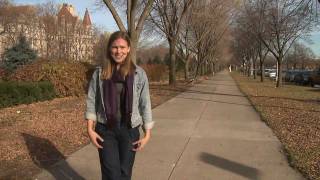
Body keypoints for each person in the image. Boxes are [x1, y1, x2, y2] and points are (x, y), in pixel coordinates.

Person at [85, 31, 154, 180]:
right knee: (112, 174)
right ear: (110, 48)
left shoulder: (139, 74)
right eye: (115, 47)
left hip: (129, 131)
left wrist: (147, 134)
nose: (119, 51)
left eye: (122, 47)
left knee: (124, 173)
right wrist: (90, 129)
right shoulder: (99, 73)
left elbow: (145, 103)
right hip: (106, 130)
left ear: (129, 49)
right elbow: (92, 100)